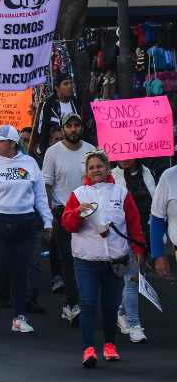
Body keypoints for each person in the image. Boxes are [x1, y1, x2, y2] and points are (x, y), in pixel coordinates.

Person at [60, 151, 146, 367]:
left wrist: (138, 248)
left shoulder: (121, 192)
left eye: (99, 166)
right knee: (89, 303)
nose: (96, 170)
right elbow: (67, 225)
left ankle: (110, 345)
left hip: (115, 259)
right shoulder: (78, 194)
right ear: (86, 171)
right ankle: (88, 349)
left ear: (108, 167)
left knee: (109, 304)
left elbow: (134, 223)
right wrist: (77, 213)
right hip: (86, 260)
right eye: (91, 167)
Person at [0, 125, 53, 334]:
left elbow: (41, 196)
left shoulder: (30, 163)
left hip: (24, 222)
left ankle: (19, 317)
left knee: (20, 271)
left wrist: (48, 221)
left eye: (0, 140)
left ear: (13, 143)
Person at [41, 113, 91, 324]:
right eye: (69, 126)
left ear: (81, 128)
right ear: (63, 128)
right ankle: (70, 304)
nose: (73, 129)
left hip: (89, 211)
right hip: (63, 212)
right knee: (68, 260)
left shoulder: (91, 150)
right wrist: (49, 214)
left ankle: (87, 302)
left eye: (76, 125)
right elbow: (46, 185)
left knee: (89, 260)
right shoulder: (53, 152)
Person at [112, 158, 155, 343]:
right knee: (132, 280)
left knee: (138, 278)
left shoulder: (149, 174)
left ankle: (120, 312)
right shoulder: (112, 176)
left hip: (147, 233)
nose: (123, 158)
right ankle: (134, 324)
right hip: (126, 235)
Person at [34, 72, 81, 154]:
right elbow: (42, 130)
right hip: (54, 151)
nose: (70, 86)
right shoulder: (48, 105)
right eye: (66, 84)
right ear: (57, 88)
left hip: (75, 149)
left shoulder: (76, 104)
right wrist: (43, 152)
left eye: (71, 83)